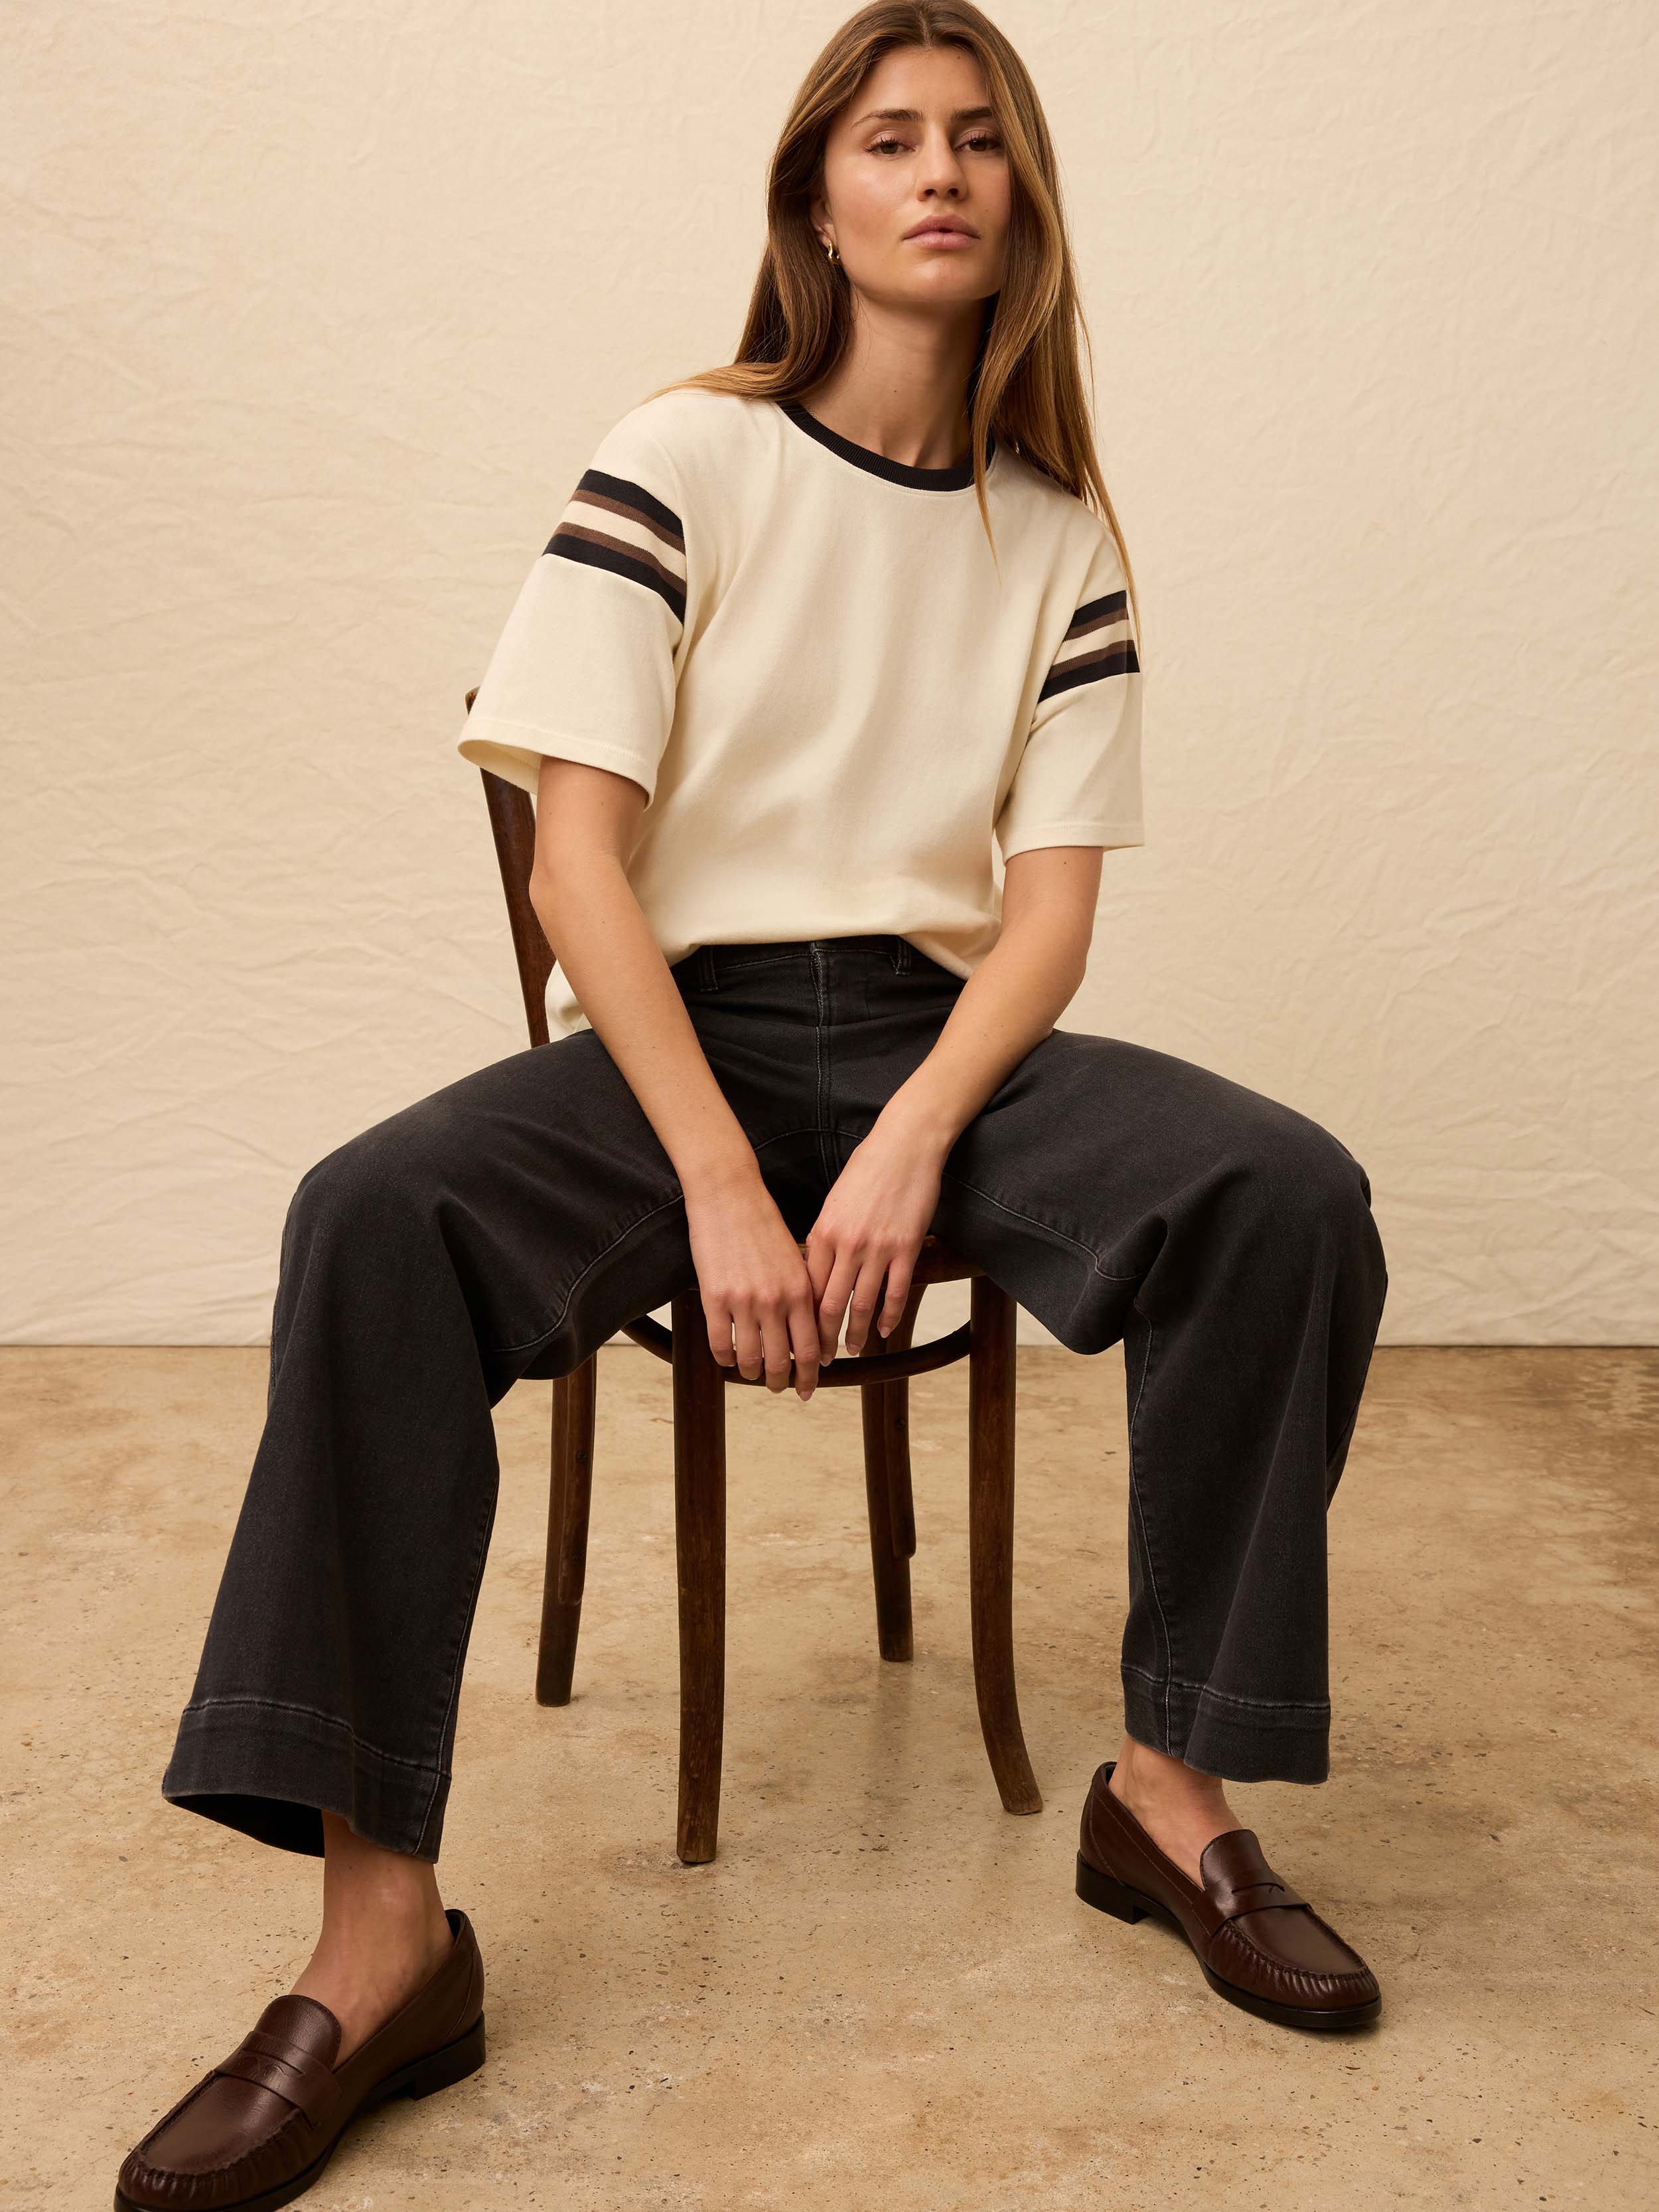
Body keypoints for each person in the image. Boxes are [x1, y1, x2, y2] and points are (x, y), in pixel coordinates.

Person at [116, 3, 1390, 2203]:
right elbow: (573, 853)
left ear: (1023, 207)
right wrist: (713, 1162)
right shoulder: (680, 458)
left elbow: (1048, 921)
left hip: (931, 1037)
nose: (939, 173)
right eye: (889, 138)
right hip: (666, 1042)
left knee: (1286, 1191)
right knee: (368, 1210)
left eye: (980, 142)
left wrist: (905, 1140)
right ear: (815, 196)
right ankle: (381, 1935)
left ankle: (1167, 1795)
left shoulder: (1055, 530)